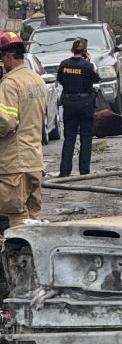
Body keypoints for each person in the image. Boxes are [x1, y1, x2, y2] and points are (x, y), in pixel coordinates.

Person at [0, 30, 47, 227]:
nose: (2, 64)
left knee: (15, 217)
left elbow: (5, 121)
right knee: (32, 218)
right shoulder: (36, 79)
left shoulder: (10, 83)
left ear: (9, 56)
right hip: (34, 161)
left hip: (14, 164)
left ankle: (16, 257)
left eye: (2, 58)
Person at [57, 37, 101, 177]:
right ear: (84, 51)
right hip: (85, 103)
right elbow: (96, 79)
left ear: (72, 50)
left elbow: (60, 80)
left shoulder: (64, 65)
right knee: (86, 137)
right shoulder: (87, 66)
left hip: (69, 103)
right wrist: (88, 61)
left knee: (69, 137)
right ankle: (84, 170)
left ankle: (65, 171)